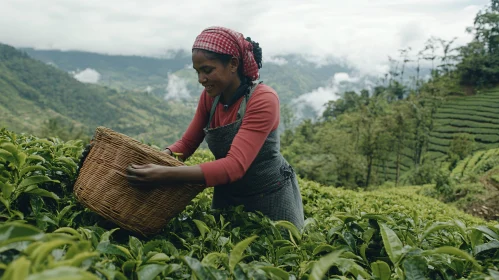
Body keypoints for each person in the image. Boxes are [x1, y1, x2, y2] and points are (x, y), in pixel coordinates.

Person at [126, 26, 304, 229]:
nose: (201, 79)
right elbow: (187, 143)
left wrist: (164, 174)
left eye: (207, 70)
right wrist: (154, 160)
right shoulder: (211, 98)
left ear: (233, 64)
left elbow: (234, 166)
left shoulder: (263, 99)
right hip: (227, 195)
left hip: (270, 198)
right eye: (198, 71)